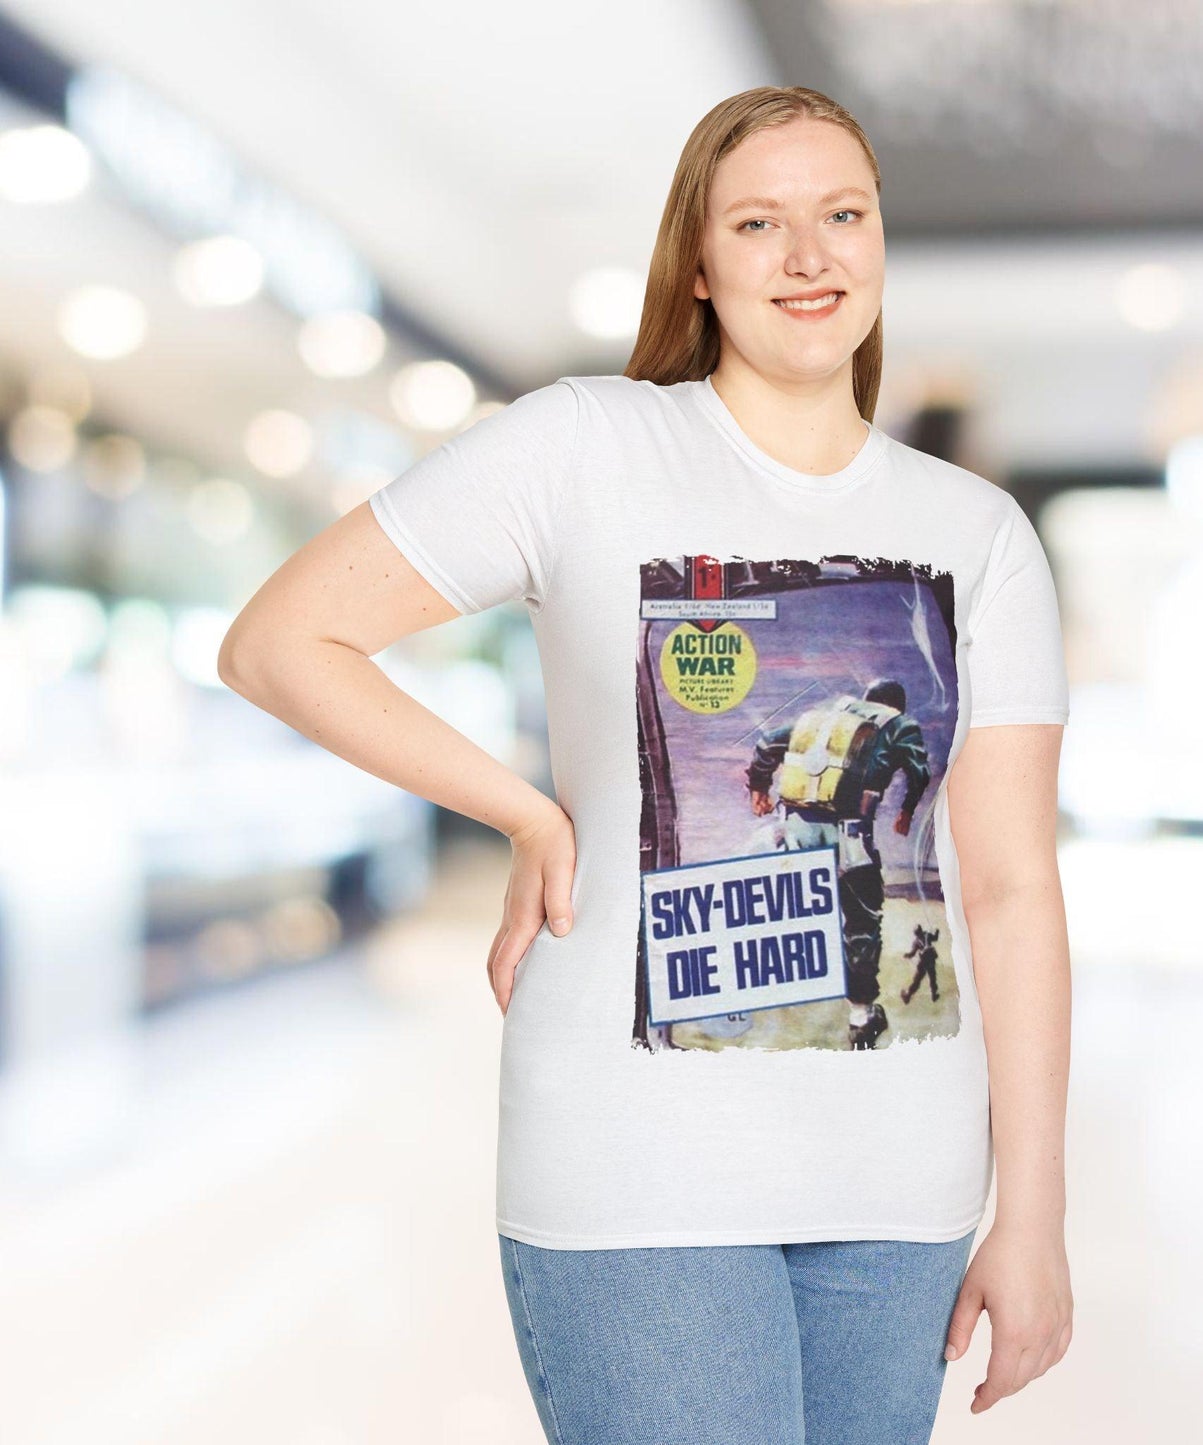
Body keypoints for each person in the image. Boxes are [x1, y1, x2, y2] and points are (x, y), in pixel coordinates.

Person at [219, 84, 1073, 1443]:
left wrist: (1031, 1216)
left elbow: (1013, 889)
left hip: (900, 1187)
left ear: (879, 242)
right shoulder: (584, 446)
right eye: (760, 222)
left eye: (842, 214)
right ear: (700, 264)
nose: (809, 255)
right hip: (636, 1175)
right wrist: (525, 812)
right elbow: (282, 639)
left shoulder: (974, 535)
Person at [743, 676, 933, 1049]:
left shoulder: (822, 719)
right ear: (897, 706)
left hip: (793, 833)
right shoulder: (899, 724)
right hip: (848, 840)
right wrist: (907, 810)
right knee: (862, 922)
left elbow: (767, 744)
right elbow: (919, 772)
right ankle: (861, 1016)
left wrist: (759, 789)